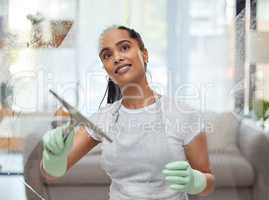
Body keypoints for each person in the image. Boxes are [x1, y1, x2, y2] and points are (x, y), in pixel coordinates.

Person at [40, 25, 215, 200]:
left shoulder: (183, 115)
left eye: (124, 47)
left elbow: (209, 183)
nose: (116, 58)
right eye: (107, 55)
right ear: (106, 70)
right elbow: (50, 174)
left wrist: (196, 181)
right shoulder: (104, 118)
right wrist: (53, 157)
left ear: (144, 54)